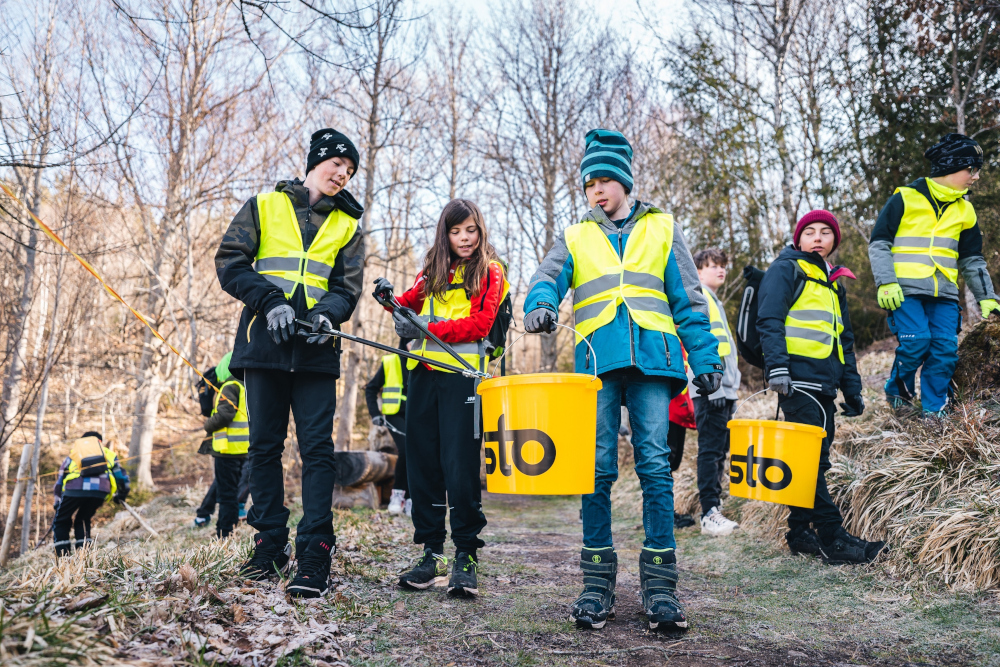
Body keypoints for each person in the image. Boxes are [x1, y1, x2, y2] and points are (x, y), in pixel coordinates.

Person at [524, 128, 723, 631]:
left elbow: (689, 300)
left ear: (626, 182)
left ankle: (661, 588)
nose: (597, 189)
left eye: (606, 179)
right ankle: (596, 585)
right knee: (597, 468)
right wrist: (541, 305)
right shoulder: (575, 235)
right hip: (596, 367)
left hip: (654, 364)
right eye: (590, 181)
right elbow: (545, 278)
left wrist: (705, 359)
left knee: (655, 465)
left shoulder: (663, 228)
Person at [216, 128, 365, 599]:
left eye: (350, 170)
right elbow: (230, 262)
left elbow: (347, 289)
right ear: (316, 161)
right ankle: (268, 546)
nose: (342, 174)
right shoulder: (263, 206)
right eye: (336, 164)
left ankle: (315, 552)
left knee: (318, 451)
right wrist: (269, 300)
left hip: (317, 352)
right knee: (263, 448)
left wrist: (327, 315)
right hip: (265, 346)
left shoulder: (348, 227)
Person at [374, 198, 508, 598]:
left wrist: (428, 326)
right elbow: (409, 306)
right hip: (424, 376)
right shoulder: (432, 266)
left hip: (464, 379)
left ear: (480, 230)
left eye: (470, 230)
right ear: (445, 233)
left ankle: (466, 555)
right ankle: (432, 553)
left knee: (460, 467)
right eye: (455, 231)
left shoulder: (491, 271)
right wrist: (390, 302)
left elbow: (481, 323)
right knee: (422, 466)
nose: (464, 238)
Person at [757, 209, 884, 565]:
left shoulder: (832, 283)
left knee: (814, 461)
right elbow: (769, 319)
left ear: (834, 241)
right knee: (809, 462)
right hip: (795, 383)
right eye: (809, 231)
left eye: (825, 232)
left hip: (824, 385)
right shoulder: (787, 269)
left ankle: (799, 533)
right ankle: (832, 538)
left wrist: (852, 388)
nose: (817, 237)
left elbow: (843, 338)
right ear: (798, 239)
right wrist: (778, 368)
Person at [869, 133, 999, 417]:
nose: (975, 177)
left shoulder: (966, 210)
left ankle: (934, 410)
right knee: (915, 342)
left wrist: (986, 296)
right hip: (904, 291)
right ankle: (898, 391)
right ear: (951, 167)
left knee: (944, 351)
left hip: (945, 294)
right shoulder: (905, 198)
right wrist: (886, 281)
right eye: (971, 169)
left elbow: (972, 258)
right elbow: (879, 242)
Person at [690, 248, 741, 537]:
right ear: (697, 271)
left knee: (719, 450)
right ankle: (709, 513)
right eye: (712, 266)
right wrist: (717, 387)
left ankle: (715, 507)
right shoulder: (700, 297)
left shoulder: (713, 299)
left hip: (723, 388)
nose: (720, 270)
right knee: (710, 451)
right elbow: (702, 344)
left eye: (723, 265)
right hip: (711, 388)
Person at [52, 432, 129, 556]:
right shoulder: (108, 453)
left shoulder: (74, 454)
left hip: (74, 490)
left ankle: (63, 559)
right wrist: (122, 494)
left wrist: (57, 501)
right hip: (99, 491)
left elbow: (60, 481)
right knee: (83, 519)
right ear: (100, 441)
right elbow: (121, 477)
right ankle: (84, 556)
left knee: (61, 520)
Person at [200, 352, 249, 538]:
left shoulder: (230, 386)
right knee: (233, 494)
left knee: (226, 496)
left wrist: (208, 424)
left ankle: (224, 533)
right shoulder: (248, 386)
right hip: (244, 449)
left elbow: (224, 415)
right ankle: (229, 530)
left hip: (227, 450)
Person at [364, 339, 413, 516]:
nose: (413, 345)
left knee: (418, 453)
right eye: (410, 342)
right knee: (407, 449)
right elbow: (371, 388)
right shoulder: (390, 361)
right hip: (395, 414)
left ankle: (411, 499)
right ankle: (397, 495)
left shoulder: (425, 360)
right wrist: (375, 414)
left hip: (417, 415)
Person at [668, 346, 697, 530]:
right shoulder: (673, 341)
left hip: (678, 410)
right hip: (670, 410)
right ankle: (664, 515)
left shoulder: (682, 342)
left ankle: (665, 513)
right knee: (666, 462)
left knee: (672, 462)